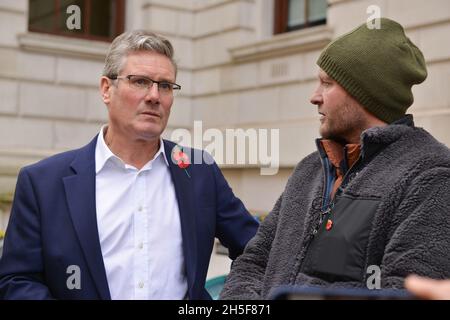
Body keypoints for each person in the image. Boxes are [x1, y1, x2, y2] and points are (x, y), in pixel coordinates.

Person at [0, 31, 258, 300]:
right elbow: (17, 280)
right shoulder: (42, 183)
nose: (154, 96)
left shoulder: (199, 171)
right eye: (140, 81)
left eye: (166, 85)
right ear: (106, 89)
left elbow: (259, 251)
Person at [220, 18, 450, 300]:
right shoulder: (309, 170)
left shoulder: (431, 175)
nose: (314, 97)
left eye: (326, 83)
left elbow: (406, 291)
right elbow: (253, 261)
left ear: (365, 93)